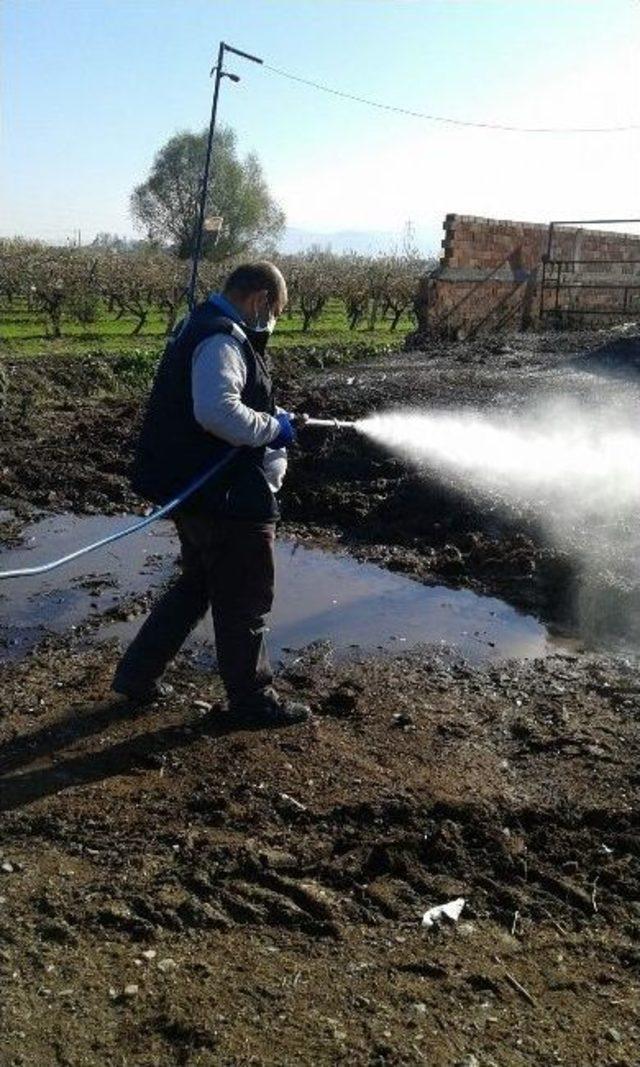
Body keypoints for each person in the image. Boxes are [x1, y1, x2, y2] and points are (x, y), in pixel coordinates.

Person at [111, 261, 310, 727]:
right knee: (245, 596)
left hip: (197, 492)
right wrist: (271, 428)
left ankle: (137, 674)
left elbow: (228, 399)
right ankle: (252, 699)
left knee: (196, 585)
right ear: (260, 298)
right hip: (224, 496)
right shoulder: (222, 338)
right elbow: (217, 412)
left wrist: (273, 414)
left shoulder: (201, 326)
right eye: (275, 309)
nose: (272, 319)